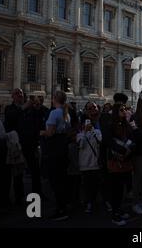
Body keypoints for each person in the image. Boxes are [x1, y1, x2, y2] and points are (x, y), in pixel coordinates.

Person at [40, 91, 71, 221]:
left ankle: (60, 209)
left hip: (54, 147)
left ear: (55, 99)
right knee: (61, 179)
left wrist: (41, 132)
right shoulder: (66, 114)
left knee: (55, 180)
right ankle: (63, 206)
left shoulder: (54, 112)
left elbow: (50, 133)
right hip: (63, 146)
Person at [107, 103, 135, 226]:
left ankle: (119, 209)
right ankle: (115, 214)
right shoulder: (111, 125)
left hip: (126, 159)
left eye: (124, 109)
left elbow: (132, 137)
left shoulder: (126, 124)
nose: (124, 111)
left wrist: (129, 148)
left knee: (123, 187)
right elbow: (109, 141)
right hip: (115, 159)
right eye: (121, 110)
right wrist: (122, 150)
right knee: (116, 189)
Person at [78, 116, 102, 214]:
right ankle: (88, 202)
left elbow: (99, 142)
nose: (87, 124)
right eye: (86, 123)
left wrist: (92, 132)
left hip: (95, 163)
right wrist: (84, 132)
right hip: (84, 164)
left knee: (95, 184)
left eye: (89, 123)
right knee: (86, 185)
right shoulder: (80, 134)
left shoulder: (97, 132)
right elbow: (81, 145)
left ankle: (94, 201)